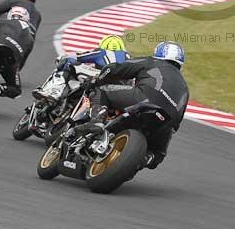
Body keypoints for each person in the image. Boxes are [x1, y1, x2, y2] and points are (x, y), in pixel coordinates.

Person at [74, 41, 189, 170]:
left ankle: (96, 122)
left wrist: (96, 80)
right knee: (158, 154)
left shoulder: (152, 61)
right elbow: (177, 123)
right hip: (167, 121)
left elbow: (115, 69)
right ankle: (144, 160)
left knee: (101, 90)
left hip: (144, 100)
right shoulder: (185, 86)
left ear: (159, 53)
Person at [32, 35, 131, 101]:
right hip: (124, 89)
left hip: (101, 78)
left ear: (103, 45)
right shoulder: (129, 57)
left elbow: (79, 57)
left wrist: (63, 58)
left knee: (69, 61)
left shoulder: (101, 52)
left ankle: (55, 91)